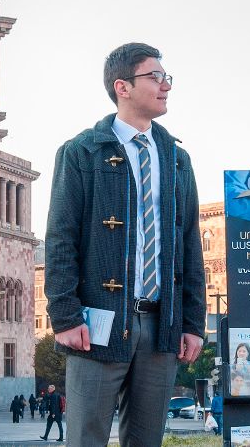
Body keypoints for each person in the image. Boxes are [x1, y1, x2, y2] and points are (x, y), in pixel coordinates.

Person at [44, 42, 206, 447]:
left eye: (167, 77)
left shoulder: (176, 159)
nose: (166, 85)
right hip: (96, 324)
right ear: (123, 87)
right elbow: (60, 238)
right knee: (86, 438)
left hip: (161, 326)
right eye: (156, 77)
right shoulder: (81, 151)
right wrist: (64, 316)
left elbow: (189, 246)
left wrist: (192, 323)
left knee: (147, 441)